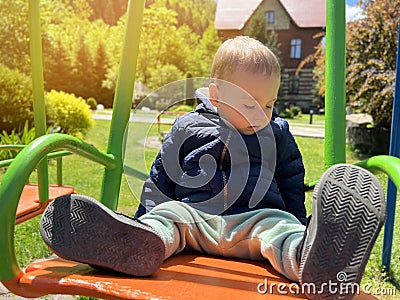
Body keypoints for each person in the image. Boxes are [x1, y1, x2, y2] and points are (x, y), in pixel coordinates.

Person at [39, 36, 386, 299]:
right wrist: (146, 215)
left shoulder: (276, 132)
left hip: (256, 221)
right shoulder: (188, 126)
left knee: (280, 232)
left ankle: (311, 258)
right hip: (196, 220)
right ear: (217, 96)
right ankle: (135, 242)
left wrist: (295, 219)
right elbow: (161, 176)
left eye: (269, 104)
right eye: (250, 104)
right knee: (168, 217)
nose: (261, 114)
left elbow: (291, 178)